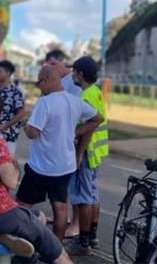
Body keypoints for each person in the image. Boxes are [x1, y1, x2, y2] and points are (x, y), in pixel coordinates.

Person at [0, 92, 73, 264]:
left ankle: (18, 245)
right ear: (0, 115)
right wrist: (14, 164)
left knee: (38, 216)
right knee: (56, 250)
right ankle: (13, 237)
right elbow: (11, 181)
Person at [16, 65, 103, 241]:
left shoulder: (44, 102)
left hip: (41, 167)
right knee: (60, 207)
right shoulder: (75, 100)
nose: (38, 87)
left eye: (39, 82)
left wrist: (25, 124)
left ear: (47, 79)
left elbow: (33, 133)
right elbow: (97, 118)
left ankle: (23, 243)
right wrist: (77, 131)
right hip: (65, 166)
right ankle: (57, 248)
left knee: (22, 205)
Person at [66, 57, 109, 255]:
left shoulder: (85, 97)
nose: (72, 75)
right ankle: (92, 236)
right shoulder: (96, 92)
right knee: (92, 194)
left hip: (88, 152)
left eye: (74, 72)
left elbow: (90, 128)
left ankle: (82, 243)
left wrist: (79, 152)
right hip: (97, 153)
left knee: (83, 198)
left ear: (81, 74)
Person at [0, 60, 25, 156]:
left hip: (8, 137)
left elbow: (21, 113)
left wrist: (6, 125)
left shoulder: (16, 92)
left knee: (7, 165)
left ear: (8, 73)